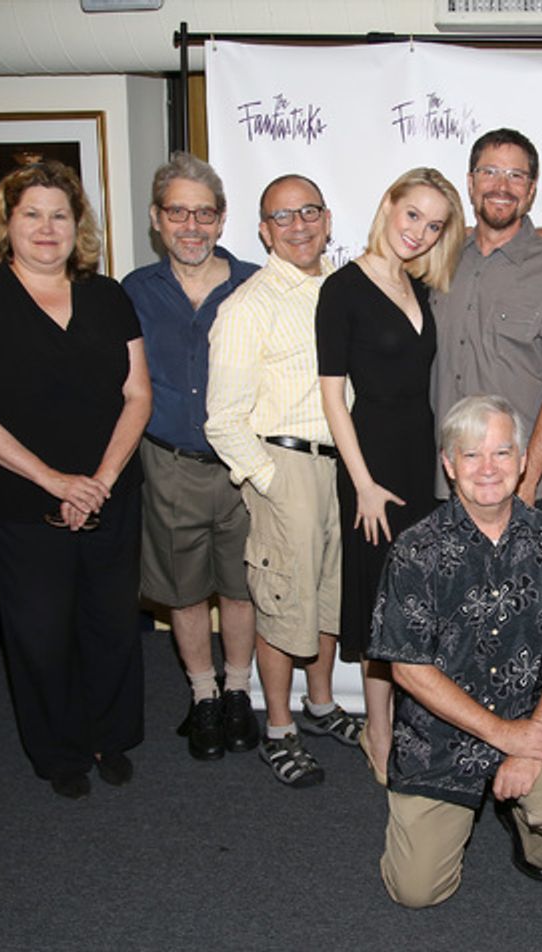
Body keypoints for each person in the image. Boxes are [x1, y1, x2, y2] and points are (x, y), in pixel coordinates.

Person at [0, 161, 151, 799]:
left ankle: (110, 736)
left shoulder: (108, 295)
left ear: (77, 225)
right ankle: (59, 753)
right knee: (41, 631)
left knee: (111, 622)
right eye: (31, 213)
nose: (47, 227)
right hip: (22, 499)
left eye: (60, 214)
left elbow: (136, 395)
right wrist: (58, 481)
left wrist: (101, 480)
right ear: (6, 223)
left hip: (112, 492)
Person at [370, 395, 542, 908]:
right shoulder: (415, 552)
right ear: (449, 464)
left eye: (502, 453)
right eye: (471, 455)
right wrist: (505, 737)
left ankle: (531, 840)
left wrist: (533, 738)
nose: (488, 469)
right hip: (439, 737)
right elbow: (408, 670)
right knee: (416, 893)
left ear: (523, 461)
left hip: (529, 716)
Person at [316, 167, 466, 786]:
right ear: (388, 206)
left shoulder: (423, 287)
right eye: (413, 216)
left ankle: (412, 724)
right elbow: (331, 397)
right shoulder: (342, 289)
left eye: (434, 226)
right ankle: (377, 729)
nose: (419, 232)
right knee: (381, 605)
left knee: (417, 607)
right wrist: (363, 484)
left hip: (421, 461)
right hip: (372, 465)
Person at [206, 174, 353, 788]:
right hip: (284, 465)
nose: (299, 225)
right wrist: (268, 481)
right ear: (264, 230)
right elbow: (222, 419)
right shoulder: (247, 306)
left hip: (340, 463)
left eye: (309, 211)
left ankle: (320, 706)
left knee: (325, 595)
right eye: (283, 216)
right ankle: (279, 728)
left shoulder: (342, 291)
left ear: (326, 219)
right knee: (281, 603)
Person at [123, 152, 261, 761]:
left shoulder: (257, 283)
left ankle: (236, 691)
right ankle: (201, 695)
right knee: (182, 591)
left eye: (203, 213)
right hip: (169, 464)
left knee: (241, 587)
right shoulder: (134, 291)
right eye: (177, 212)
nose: (191, 226)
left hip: (245, 469)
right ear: (157, 219)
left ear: (222, 219)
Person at [430, 128, 542, 516]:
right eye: (489, 172)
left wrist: (527, 482)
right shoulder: (438, 258)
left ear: (532, 189)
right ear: (470, 184)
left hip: (524, 491)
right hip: (448, 485)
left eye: (516, 176)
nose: (501, 186)